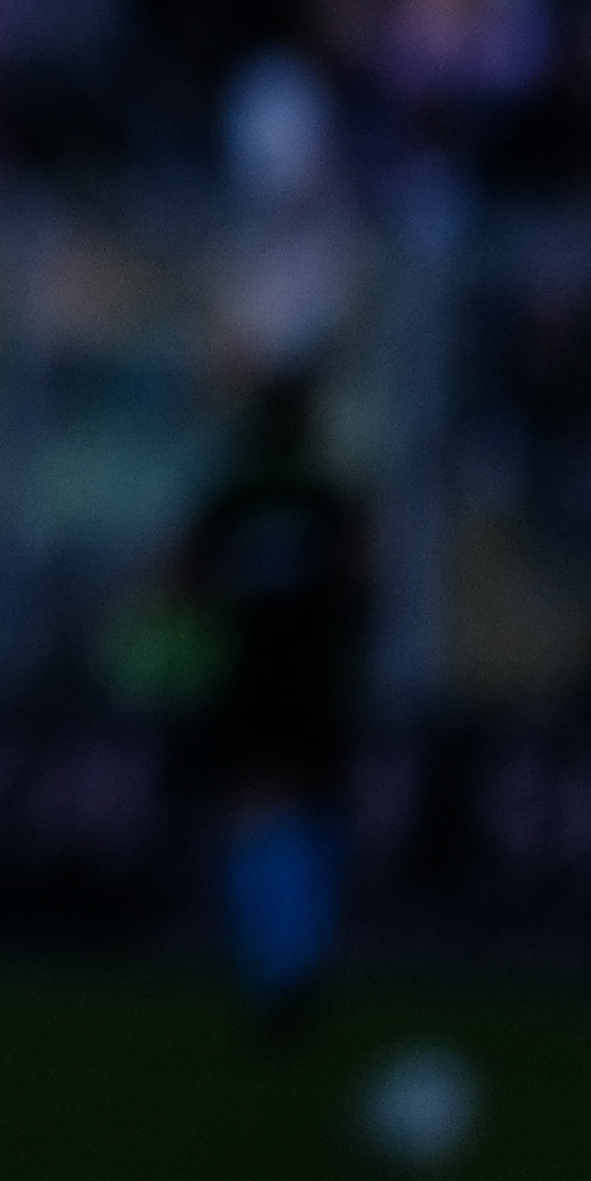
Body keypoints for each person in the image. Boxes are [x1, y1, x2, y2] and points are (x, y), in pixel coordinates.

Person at [176, 377, 370, 1042]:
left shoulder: (233, 499)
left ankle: (269, 972)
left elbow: (190, 581)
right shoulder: (328, 500)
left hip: (248, 672)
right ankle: (301, 962)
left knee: (251, 812)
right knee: (313, 808)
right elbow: (357, 583)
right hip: (311, 674)